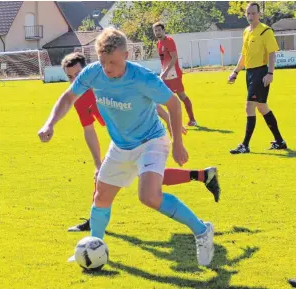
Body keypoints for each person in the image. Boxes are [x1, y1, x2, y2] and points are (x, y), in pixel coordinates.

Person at [38, 27, 215, 266]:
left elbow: (173, 104)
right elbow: (68, 97)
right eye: (102, 62)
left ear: (126, 55)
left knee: (149, 197)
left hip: (150, 141)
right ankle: (93, 246)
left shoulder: (142, 78)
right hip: (121, 146)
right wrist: (50, 124)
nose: (107, 68)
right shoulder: (93, 73)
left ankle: (202, 230)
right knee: (101, 197)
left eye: (112, 62)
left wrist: (177, 144)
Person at [61, 52, 221, 232]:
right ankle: (203, 176)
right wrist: (97, 163)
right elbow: (88, 131)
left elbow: (150, 101)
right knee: (137, 177)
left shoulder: (106, 83)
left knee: (146, 182)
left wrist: (170, 123)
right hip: (123, 139)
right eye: (69, 77)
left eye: (77, 74)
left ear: (86, 70)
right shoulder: (79, 98)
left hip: (147, 134)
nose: (74, 80)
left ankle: (200, 213)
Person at [228, 2, 287, 154]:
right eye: (248, 13)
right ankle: (280, 142)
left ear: (259, 14)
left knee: (249, 106)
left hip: (261, 73)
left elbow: (272, 53)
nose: (250, 16)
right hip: (249, 74)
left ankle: (245, 145)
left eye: (253, 13)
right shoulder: (246, 31)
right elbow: (244, 55)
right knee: (262, 107)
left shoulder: (265, 31)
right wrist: (235, 72)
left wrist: (270, 73)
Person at [153, 22, 197, 127]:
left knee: (180, 96)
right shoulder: (158, 43)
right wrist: (163, 72)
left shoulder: (169, 41)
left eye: (159, 30)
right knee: (162, 97)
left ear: (163, 30)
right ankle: (170, 122)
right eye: (155, 30)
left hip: (173, 75)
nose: (157, 32)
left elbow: (174, 57)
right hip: (166, 75)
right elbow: (164, 60)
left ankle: (191, 120)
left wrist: (166, 72)